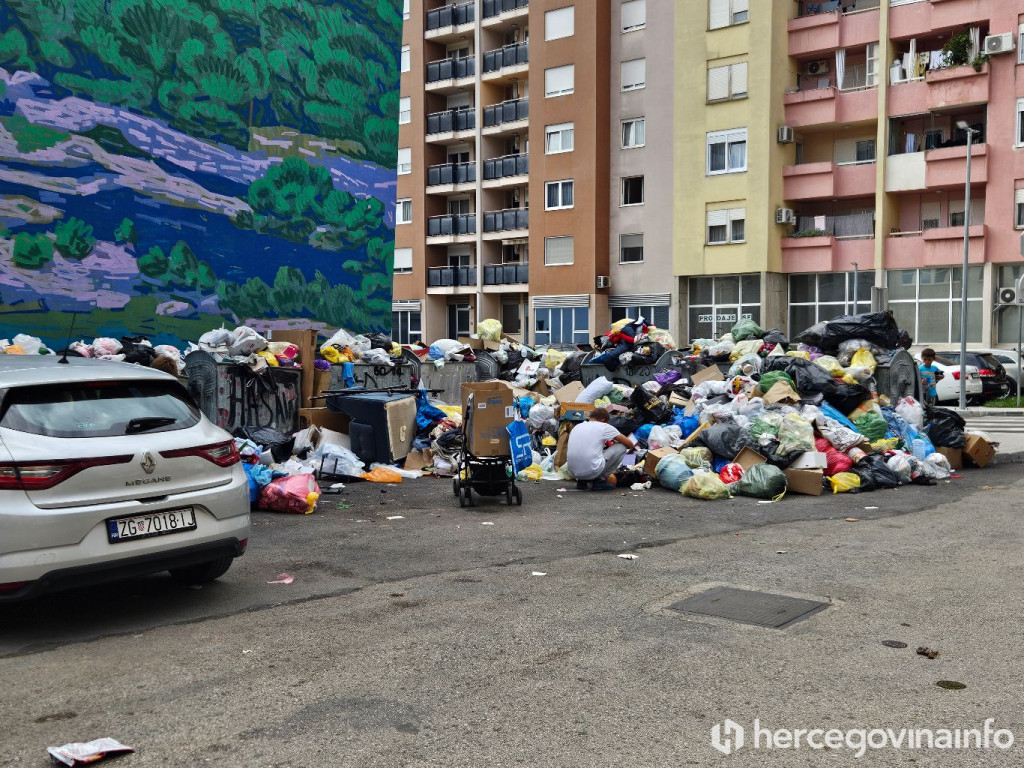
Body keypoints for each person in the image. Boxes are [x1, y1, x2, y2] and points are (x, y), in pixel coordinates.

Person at [566, 408, 636, 491]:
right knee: (622, 446)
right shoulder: (604, 427)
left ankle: (582, 482)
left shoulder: (577, 426)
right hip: (591, 471)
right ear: (603, 420)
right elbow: (630, 444)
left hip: (574, 472)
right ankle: (600, 481)